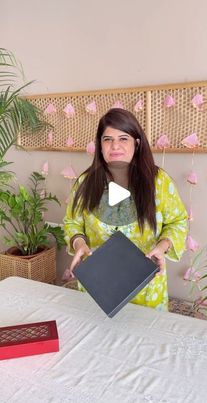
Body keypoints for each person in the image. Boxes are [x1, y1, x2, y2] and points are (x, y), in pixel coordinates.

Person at [64, 108, 188, 311]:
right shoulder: (85, 182)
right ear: (100, 145)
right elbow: (72, 221)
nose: (115, 146)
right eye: (107, 139)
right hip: (97, 284)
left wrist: (163, 246)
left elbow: (178, 221)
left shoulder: (159, 181)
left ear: (136, 143)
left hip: (147, 287)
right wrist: (79, 243)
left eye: (123, 138)